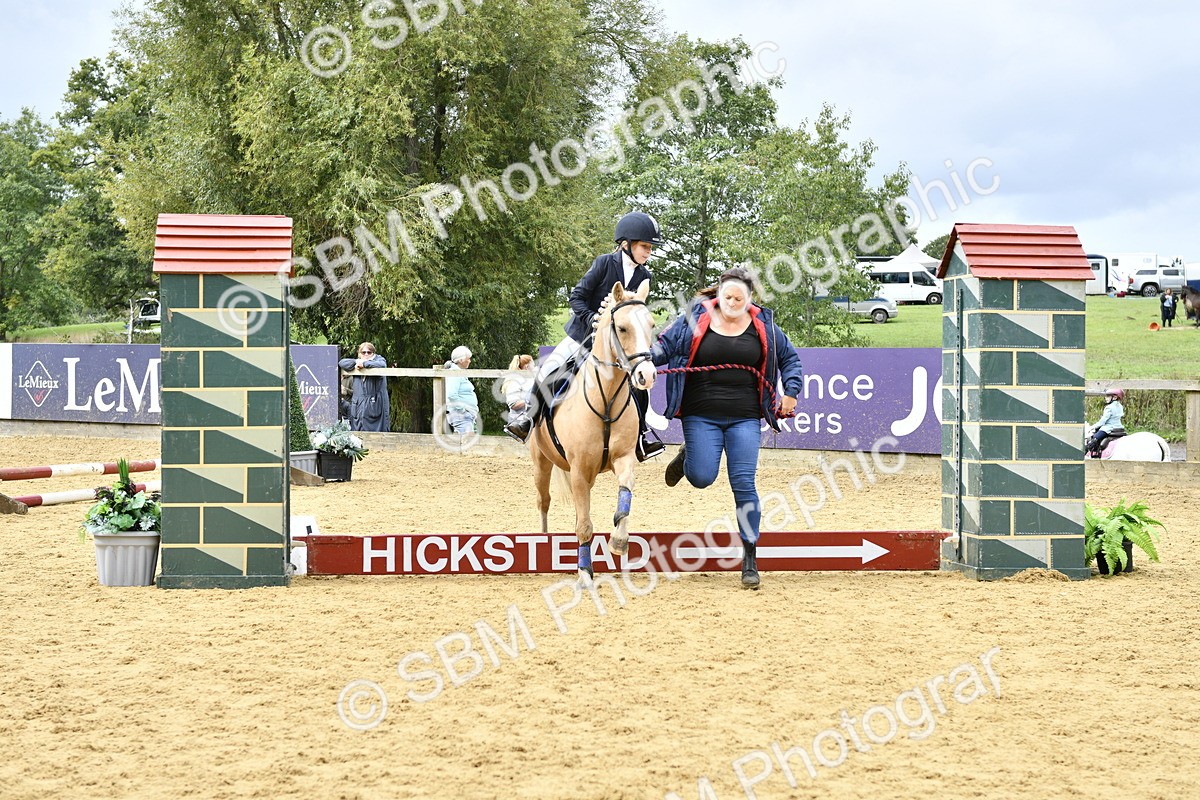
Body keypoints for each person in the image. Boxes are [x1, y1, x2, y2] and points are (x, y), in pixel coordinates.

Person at [652, 266, 803, 590]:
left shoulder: (764, 324)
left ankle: (749, 558)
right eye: (728, 296)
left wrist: (790, 391)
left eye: (740, 297)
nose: (733, 301)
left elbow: (790, 359)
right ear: (719, 295)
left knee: (744, 484)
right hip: (700, 414)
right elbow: (664, 346)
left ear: (750, 299)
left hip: (745, 417)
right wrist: (642, 361)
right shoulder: (696, 317)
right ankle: (688, 458)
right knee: (703, 477)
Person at [504, 211, 667, 461]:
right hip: (582, 337)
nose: (648, 252)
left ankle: (641, 437)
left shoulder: (645, 276)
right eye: (645, 246)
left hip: (617, 346)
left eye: (650, 247)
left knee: (639, 382)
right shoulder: (604, 263)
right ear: (626, 244)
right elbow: (576, 297)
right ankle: (526, 419)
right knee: (551, 369)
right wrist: (592, 319)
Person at [338, 342, 390, 432]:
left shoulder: (379, 360)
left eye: (369, 352)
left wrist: (364, 364)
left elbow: (382, 365)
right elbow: (342, 363)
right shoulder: (356, 362)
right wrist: (357, 362)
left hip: (374, 408)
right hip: (358, 409)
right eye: (363, 352)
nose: (366, 354)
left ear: (373, 353)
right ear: (359, 353)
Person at [444, 345, 480, 435]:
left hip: (465, 415)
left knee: (462, 443)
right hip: (461, 415)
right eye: (468, 358)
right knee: (469, 444)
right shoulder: (455, 373)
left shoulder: (459, 372)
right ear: (461, 360)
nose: (470, 361)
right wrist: (463, 410)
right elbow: (451, 394)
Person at [1086, 388, 1125, 458]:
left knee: (1094, 438)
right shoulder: (1120, 406)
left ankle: (1091, 454)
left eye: (1108, 396)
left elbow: (1102, 422)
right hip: (1119, 428)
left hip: (1108, 428)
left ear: (1115, 397)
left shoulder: (1109, 407)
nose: (1105, 398)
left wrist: (1092, 427)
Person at [500, 354, 536, 423]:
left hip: (529, 419)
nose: (534, 368)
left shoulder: (530, 380)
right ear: (527, 366)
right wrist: (530, 400)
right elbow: (513, 404)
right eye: (533, 365)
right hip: (518, 421)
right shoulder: (515, 381)